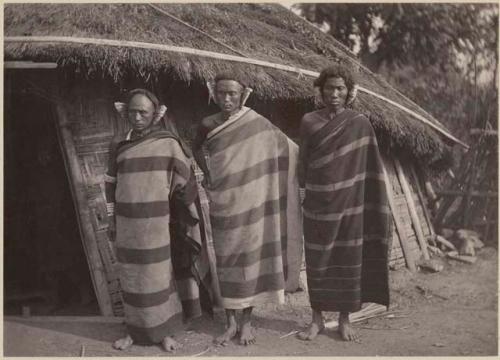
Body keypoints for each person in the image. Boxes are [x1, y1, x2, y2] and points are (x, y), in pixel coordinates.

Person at [193, 73, 302, 346]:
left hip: (253, 201)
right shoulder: (207, 124)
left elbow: (285, 146)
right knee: (227, 260)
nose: (227, 99)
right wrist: (208, 173)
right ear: (214, 94)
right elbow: (195, 148)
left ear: (243, 95)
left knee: (252, 260)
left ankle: (247, 323)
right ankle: (229, 323)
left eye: (232, 93)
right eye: (221, 93)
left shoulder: (255, 123)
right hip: (224, 200)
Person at [105, 89, 209, 352]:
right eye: (132, 112)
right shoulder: (118, 145)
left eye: (143, 112)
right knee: (131, 277)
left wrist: (183, 211)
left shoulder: (168, 143)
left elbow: (185, 179)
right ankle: (133, 331)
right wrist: (111, 218)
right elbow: (110, 185)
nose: (137, 117)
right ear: (124, 113)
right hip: (127, 224)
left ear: (155, 114)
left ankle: (164, 332)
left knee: (158, 276)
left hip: (157, 223)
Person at [298, 65, 391, 342]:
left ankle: (344, 319)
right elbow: (303, 161)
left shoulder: (359, 123)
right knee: (318, 259)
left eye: (340, 89)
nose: (334, 94)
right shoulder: (309, 121)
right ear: (321, 90)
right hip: (318, 201)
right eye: (329, 88)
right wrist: (302, 191)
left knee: (347, 258)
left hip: (350, 203)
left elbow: (369, 164)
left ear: (349, 92)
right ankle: (316, 320)